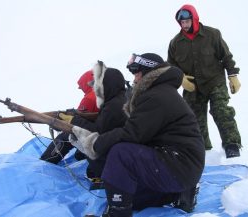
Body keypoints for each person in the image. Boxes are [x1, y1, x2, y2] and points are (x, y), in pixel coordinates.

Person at [71, 53, 205, 217]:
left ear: (147, 72)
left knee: (120, 153)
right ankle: (179, 195)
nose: (134, 79)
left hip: (179, 163)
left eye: (136, 73)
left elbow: (131, 134)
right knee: (132, 196)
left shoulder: (157, 96)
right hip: (182, 164)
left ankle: (118, 214)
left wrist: (95, 143)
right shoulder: (161, 92)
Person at [167, 4, 242, 158]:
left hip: (214, 81)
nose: (185, 25)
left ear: (194, 19)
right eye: (182, 23)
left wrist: (232, 76)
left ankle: (232, 145)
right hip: (192, 86)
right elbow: (171, 66)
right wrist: (180, 78)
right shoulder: (175, 43)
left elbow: (226, 56)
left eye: (187, 21)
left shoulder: (212, 34)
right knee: (192, 119)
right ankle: (203, 150)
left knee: (221, 111)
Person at [40, 70, 99, 164]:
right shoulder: (104, 92)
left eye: (81, 85)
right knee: (78, 155)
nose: (79, 87)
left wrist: (58, 123)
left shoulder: (89, 98)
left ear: (87, 83)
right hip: (103, 131)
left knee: (65, 135)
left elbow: (79, 120)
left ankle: (46, 162)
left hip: (95, 134)